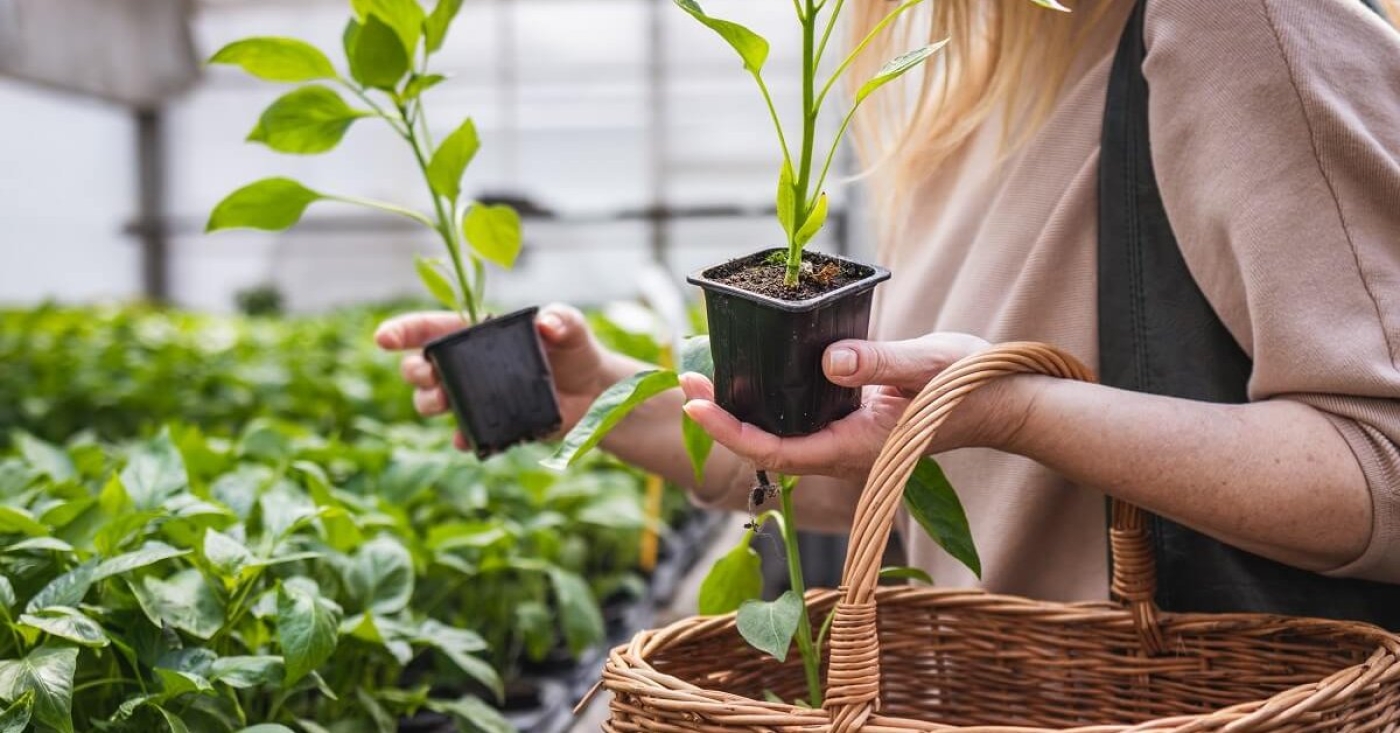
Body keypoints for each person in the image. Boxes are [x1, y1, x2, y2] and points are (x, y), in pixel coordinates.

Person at [377, 0, 1400, 621]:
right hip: (986, 695)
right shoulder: (976, 92)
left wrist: (1018, 411)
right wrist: (596, 397)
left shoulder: (1241, 29)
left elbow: (1379, 467)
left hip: (1173, 699)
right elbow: (891, 464)